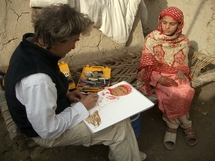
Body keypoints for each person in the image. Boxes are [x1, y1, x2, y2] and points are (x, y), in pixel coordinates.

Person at [4, 4, 146, 161]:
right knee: (118, 128)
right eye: (73, 41)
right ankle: (131, 157)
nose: (73, 47)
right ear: (58, 41)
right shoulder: (38, 81)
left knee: (118, 117)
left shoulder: (32, 45)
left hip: (51, 113)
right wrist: (82, 107)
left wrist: (66, 94)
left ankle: (128, 155)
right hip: (44, 131)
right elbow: (48, 130)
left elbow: (45, 90)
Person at [137, 6, 197, 150]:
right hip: (156, 74)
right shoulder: (151, 38)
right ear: (160, 21)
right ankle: (182, 125)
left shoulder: (183, 40)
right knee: (171, 94)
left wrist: (182, 70)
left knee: (186, 91)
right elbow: (145, 65)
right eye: (164, 22)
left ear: (179, 25)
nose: (167, 27)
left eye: (172, 24)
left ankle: (173, 124)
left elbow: (183, 62)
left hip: (176, 73)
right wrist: (159, 79)